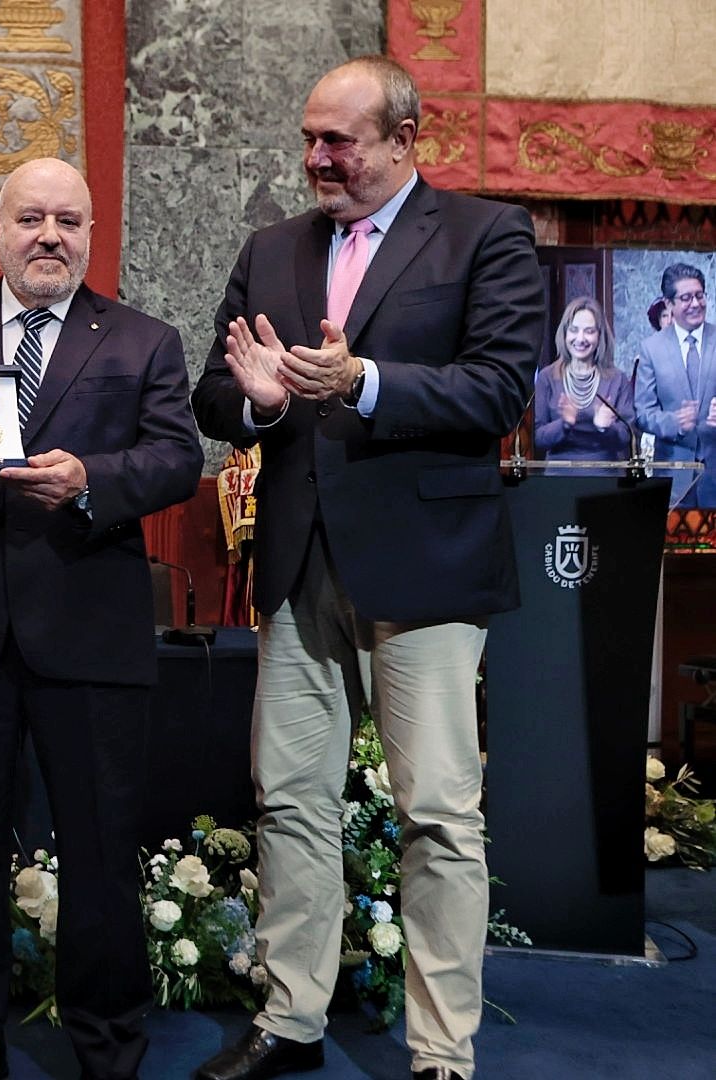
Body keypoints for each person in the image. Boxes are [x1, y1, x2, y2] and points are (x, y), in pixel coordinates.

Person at [190, 56, 543, 1080]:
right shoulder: (271, 249)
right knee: (290, 799)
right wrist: (256, 402)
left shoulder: (486, 235)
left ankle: (440, 1052)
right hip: (299, 561)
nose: (317, 158)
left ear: (403, 138)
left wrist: (368, 381)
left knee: (437, 811)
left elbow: (494, 390)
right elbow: (217, 395)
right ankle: (291, 1020)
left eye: (338, 141)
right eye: (310, 138)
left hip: (427, 564)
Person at [0, 156, 203, 1080]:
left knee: (99, 853)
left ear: (91, 234)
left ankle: (106, 1045)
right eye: (32, 220)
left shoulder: (143, 340)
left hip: (90, 634)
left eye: (69, 221)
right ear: (2, 229)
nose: (51, 236)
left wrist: (92, 480)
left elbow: (176, 457)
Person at [634, 262, 716, 507]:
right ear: (669, 304)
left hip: (714, 473)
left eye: (699, 296)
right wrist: (674, 422)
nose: (695, 304)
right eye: (686, 298)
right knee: (673, 545)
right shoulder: (652, 349)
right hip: (673, 478)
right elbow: (643, 414)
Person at [533, 296, 632, 469]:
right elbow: (538, 439)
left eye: (589, 331)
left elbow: (627, 437)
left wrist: (606, 428)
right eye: (574, 330)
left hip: (605, 475)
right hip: (559, 475)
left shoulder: (617, 379)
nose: (580, 338)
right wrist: (564, 424)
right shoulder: (546, 377)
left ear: (600, 336)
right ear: (564, 333)